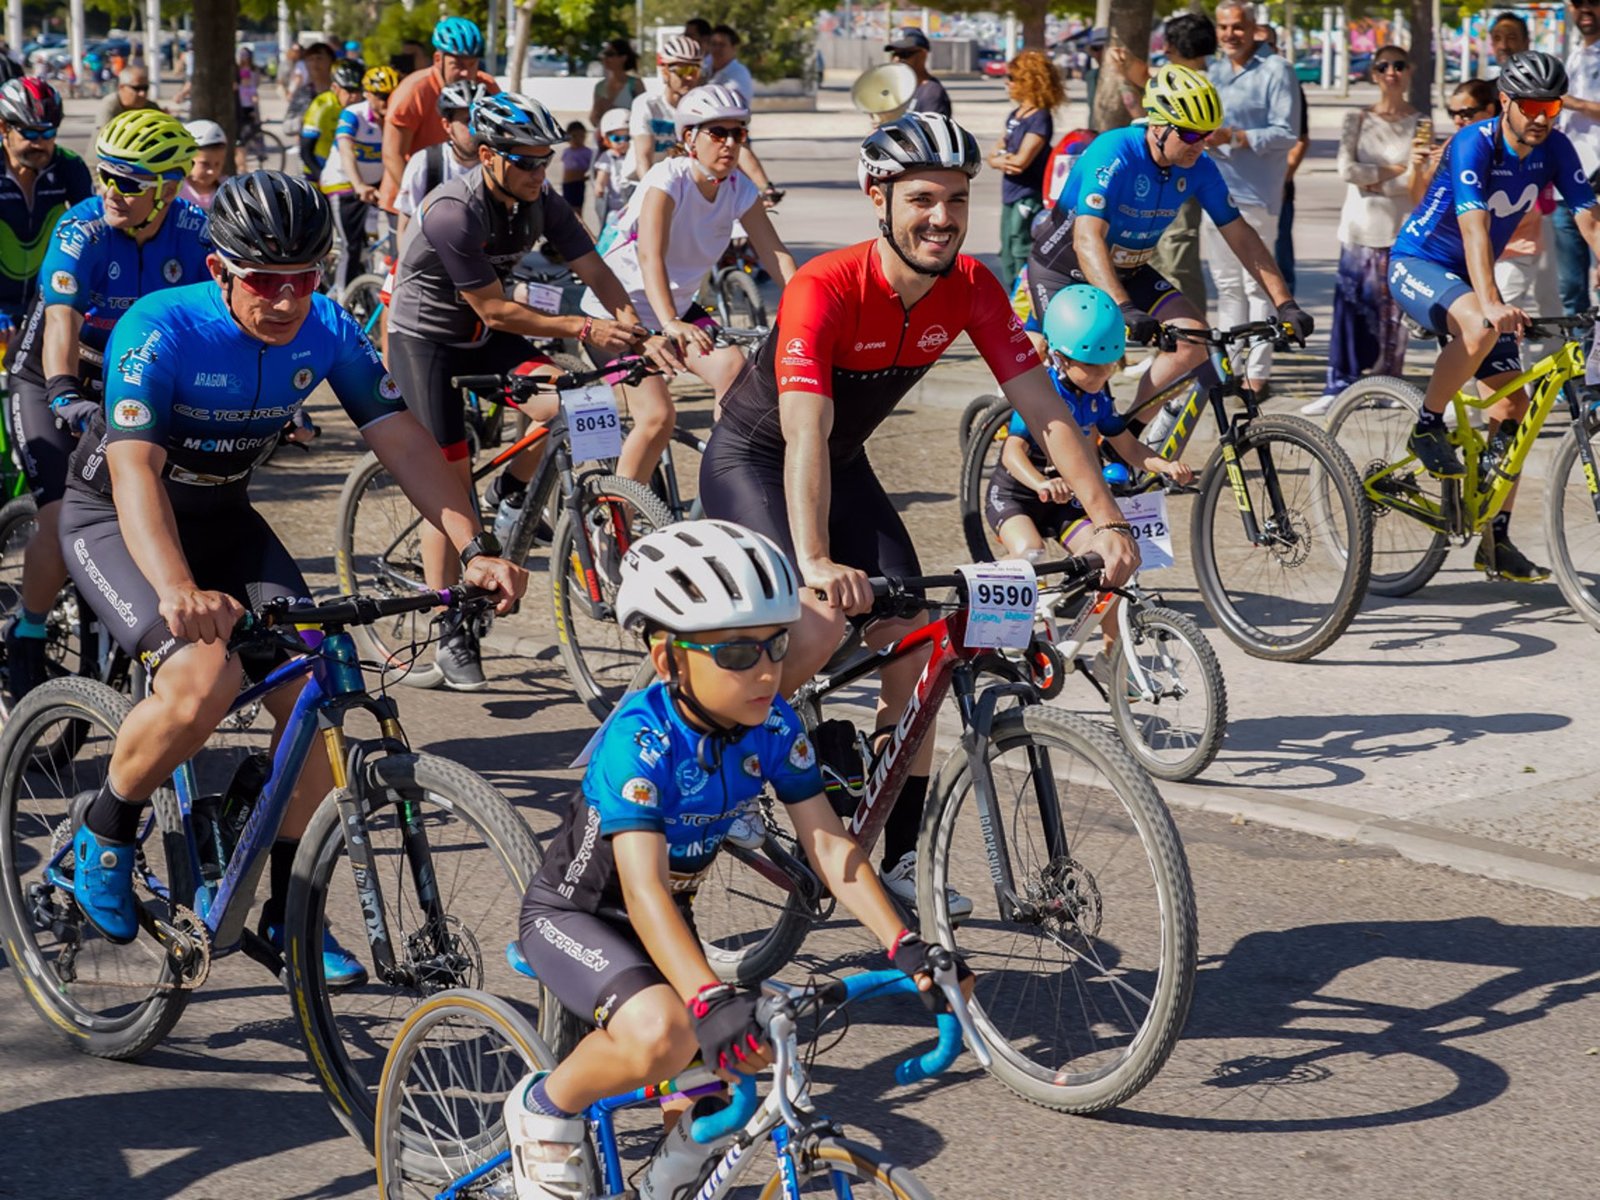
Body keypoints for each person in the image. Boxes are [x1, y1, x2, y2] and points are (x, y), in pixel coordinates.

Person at [60, 170, 526, 972]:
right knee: (203, 681)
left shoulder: (330, 329)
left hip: (226, 520)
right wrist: (176, 589)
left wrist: (476, 546)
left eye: (304, 279)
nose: (285, 300)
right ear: (219, 272)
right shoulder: (158, 329)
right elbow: (136, 472)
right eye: (265, 282)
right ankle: (102, 832)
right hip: (118, 520)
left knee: (322, 688)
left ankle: (283, 909)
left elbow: (404, 441)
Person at [701, 113, 1140, 913]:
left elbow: (1045, 408)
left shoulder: (971, 286)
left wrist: (1107, 518)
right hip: (759, 461)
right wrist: (814, 562)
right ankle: (713, 774)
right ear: (878, 197)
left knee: (914, 651)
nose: (942, 217)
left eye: (957, 200)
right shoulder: (823, 287)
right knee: (818, 624)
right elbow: (803, 432)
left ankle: (897, 861)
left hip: (840, 463)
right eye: (922, 199)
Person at [505, 519, 967, 1200]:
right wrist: (709, 996)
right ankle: (543, 1110)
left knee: (733, 1084)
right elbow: (642, 892)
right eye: (735, 654)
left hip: (667, 914)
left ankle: (664, 1182)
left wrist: (906, 944)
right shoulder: (639, 743)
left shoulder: (774, 724)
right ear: (667, 661)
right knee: (667, 1032)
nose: (766, 670)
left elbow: (829, 845)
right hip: (579, 915)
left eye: (776, 645)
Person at [386, 92, 675, 689]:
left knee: (567, 400)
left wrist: (634, 335)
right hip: (427, 342)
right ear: (488, 156)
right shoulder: (451, 210)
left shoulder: (540, 199)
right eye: (525, 161)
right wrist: (583, 327)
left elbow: (595, 268)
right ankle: (451, 627)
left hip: (487, 334)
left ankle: (514, 494)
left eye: (545, 160)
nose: (538, 172)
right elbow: (494, 309)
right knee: (449, 488)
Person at [4, 111, 213, 700]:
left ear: (168, 189)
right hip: (53, 372)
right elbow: (61, 323)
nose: (109, 192)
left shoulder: (198, 232)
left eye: (128, 182)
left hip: (133, 381)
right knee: (57, 513)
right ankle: (28, 630)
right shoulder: (81, 229)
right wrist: (64, 391)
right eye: (104, 175)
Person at [1388, 51, 1600, 582]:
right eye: (1530, 104)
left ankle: (1494, 542)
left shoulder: (1555, 147)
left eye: (1550, 105)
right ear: (1505, 100)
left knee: (1513, 410)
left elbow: (1588, 217)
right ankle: (1427, 424)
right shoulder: (1473, 142)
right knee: (1480, 327)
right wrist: (1488, 302)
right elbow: (1474, 229)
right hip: (1421, 262)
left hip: (1473, 275)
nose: (1541, 116)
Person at [1026, 65, 1311, 426]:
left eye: (1207, 134)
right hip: (1063, 270)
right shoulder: (1114, 152)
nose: (1201, 143)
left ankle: (1126, 438)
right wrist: (1125, 307)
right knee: (1087, 372)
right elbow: (1087, 239)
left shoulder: (1199, 166)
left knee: (1194, 342)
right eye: (1191, 134)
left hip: (1128, 270)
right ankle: (1018, 471)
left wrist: (1285, 303)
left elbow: (1241, 235)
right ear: (1158, 127)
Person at [580, 85, 795, 485]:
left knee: (737, 373)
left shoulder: (738, 189)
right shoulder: (669, 178)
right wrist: (670, 322)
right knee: (657, 415)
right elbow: (650, 256)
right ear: (689, 138)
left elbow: (776, 254)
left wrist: (809, 311)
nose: (729, 143)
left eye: (738, 133)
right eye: (717, 133)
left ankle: (727, 479)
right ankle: (614, 527)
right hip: (616, 313)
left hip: (675, 308)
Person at [986, 286, 1192, 681]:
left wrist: (1165, 465)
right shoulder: (1040, 392)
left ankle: (1115, 661)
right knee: (1028, 553)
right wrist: (1041, 483)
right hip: (1016, 497)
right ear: (1060, 358)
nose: (1103, 376)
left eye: (1111, 366)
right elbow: (1012, 455)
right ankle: (998, 629)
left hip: (1064, 502)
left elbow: (1127, 445)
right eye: (1093, 368)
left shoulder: (1097, 398)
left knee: (1112, 564)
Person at [1302, 43, 1421, 415]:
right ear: (1373, 73)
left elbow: (1419, 182)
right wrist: (1396, 172)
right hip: (1358, 229)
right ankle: (1339, 385)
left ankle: (1389, 383)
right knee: (1351, 311)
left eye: (1398, 65)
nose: (1391, 73)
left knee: (1394, 315)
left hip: (1399, 231)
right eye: (1383, 66)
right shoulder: (1356, 118)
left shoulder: (1420, 122)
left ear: (1409, 71)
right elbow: (1346, 171)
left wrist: (1376, 180)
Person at [1203, 2, 1302, 396]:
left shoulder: (1277, 70)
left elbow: (1287, 132)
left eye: (1238, 27)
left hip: (1256, 195)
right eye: (1224, 27)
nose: (1230, 34)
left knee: (1256, 286)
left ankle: (1257, 373)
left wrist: (1236, 136)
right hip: (1215, 189)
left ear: (1254, 28)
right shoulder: (1213, 71)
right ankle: (1230, 367)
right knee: (1227, 286)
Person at [0, 77, 90, 352]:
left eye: (49, 133)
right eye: (30, 133)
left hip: (44, 304)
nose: (41, 143)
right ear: (3, 127)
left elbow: (92, 233)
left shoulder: (68, 166)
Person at [380, 17, 499, 214]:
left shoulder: (486, 87)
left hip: (465, 198)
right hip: (409, 198)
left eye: (472, 64)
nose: (465, 73)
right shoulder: (414, 91)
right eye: (457, 64)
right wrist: (420, 206)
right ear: (438, 60)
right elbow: (393, 154)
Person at [322, 65, 398, 298]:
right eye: (381, 96)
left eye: (390, 95)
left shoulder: (395, 116)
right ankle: (344, 300)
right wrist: (359, 186)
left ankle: (371, 285)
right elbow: (346, 151)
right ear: (367, 94)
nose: (387, 101)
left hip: (375, 183)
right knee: (351, 245)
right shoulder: (353, 114)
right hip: (343, 182)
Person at [991, 49, 1061, 290]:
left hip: (1027, 195)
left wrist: (1003, 158)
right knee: (1007, 250)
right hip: (1009, 193)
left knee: (1021, 247)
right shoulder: (1016, 115)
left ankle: (1022, 303)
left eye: (1012, 77)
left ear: (1030, 81)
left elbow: (1020, 162)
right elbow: (993, 155)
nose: (1007, 83)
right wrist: (1002, 159)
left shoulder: (1040, 117)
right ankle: (1011, 302)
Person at [393, 78, 484, 237]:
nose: (474, 129)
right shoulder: (426, 162)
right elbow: (406, 225)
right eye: (467, 121)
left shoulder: (497, 163)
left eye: (480, 120)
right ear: (447, 125)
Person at [1558, 0, 1600, 316]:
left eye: (1594, 2)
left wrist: (1573, 103)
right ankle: (1582, 364)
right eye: (1577, 2)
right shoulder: (1572, 54)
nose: (1585, 8)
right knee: (1571, 291)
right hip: (1567, 187)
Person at [626, 35, 703, 180]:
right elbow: (644, 159)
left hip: (676, 182)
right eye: (682, 71)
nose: (690, 78)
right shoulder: (647, 104)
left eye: (694, 71)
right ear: (665, 70)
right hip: (638, 181)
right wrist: (648, 194)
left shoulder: (701, 107)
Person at [300, 57, 363, 178]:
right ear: (335, 88)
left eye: (358, 91)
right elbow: (305, 151)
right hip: (319, 167)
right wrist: (321, 175)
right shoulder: (322, 105)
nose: (354, 97)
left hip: (350, 169)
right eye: (349, 91)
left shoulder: (363, 107)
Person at [885, 27, 950, 117]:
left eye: (904, 54)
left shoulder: (932, 92)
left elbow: (930, 130)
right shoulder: (902, 89)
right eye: (894, 54)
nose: (897, 59)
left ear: (923, 54)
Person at [591, 107, 634, 233]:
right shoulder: (608, 157)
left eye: (627, 138)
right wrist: (599, 186)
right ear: (606, 140)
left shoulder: (634, 156)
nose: (623, 143)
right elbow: (602, 174)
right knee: (613, 230)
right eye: (617, 139)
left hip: (632, 204)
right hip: (615, 207)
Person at [588, 37, 644, 131]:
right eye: (604, 54)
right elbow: (593, 118)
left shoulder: (635, 84)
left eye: (610, 54)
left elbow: (644, 114)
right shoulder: (600, 87)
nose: (605, 58)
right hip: (606, 140)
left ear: (623, 58)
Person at [179, 118, 227, 209]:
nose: (211, 171)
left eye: (218, 164)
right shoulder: (176, 192)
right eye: (205, 164)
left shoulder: (227, 190)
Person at [94, 65, 159, 132]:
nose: (142, 93)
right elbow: (104, 135)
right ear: (122, 88)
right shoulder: (109, 106)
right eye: (137, 88)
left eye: (145, 88)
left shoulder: (151, 108)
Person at [706, 24, 753, 102]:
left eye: (722, 45)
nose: (717, 49)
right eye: (713, 44)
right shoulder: (705, 66)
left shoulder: (739, 75)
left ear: (734, 48)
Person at [559, 120, 591, 210]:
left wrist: (584, 177)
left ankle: (578, 224)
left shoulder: (587, 152)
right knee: (567, 208)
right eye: (574, 136)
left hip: (578, 184)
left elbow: (592, 169)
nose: (577, 139)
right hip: (567, 184)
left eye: (581, 136)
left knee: (577, 209)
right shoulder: (567, 151)